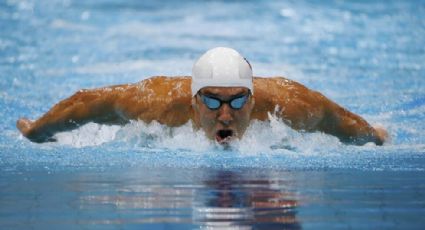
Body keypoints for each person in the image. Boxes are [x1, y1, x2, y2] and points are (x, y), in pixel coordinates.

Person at [17, 47, 388, 145]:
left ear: (254, 100)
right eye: (211, 101)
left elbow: (339, 121)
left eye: (237, 101)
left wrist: (374, 136)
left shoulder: (291, 106)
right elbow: (87, 103)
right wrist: (38, 131)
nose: (225, 114)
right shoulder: (158, 105)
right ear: (194, 103)